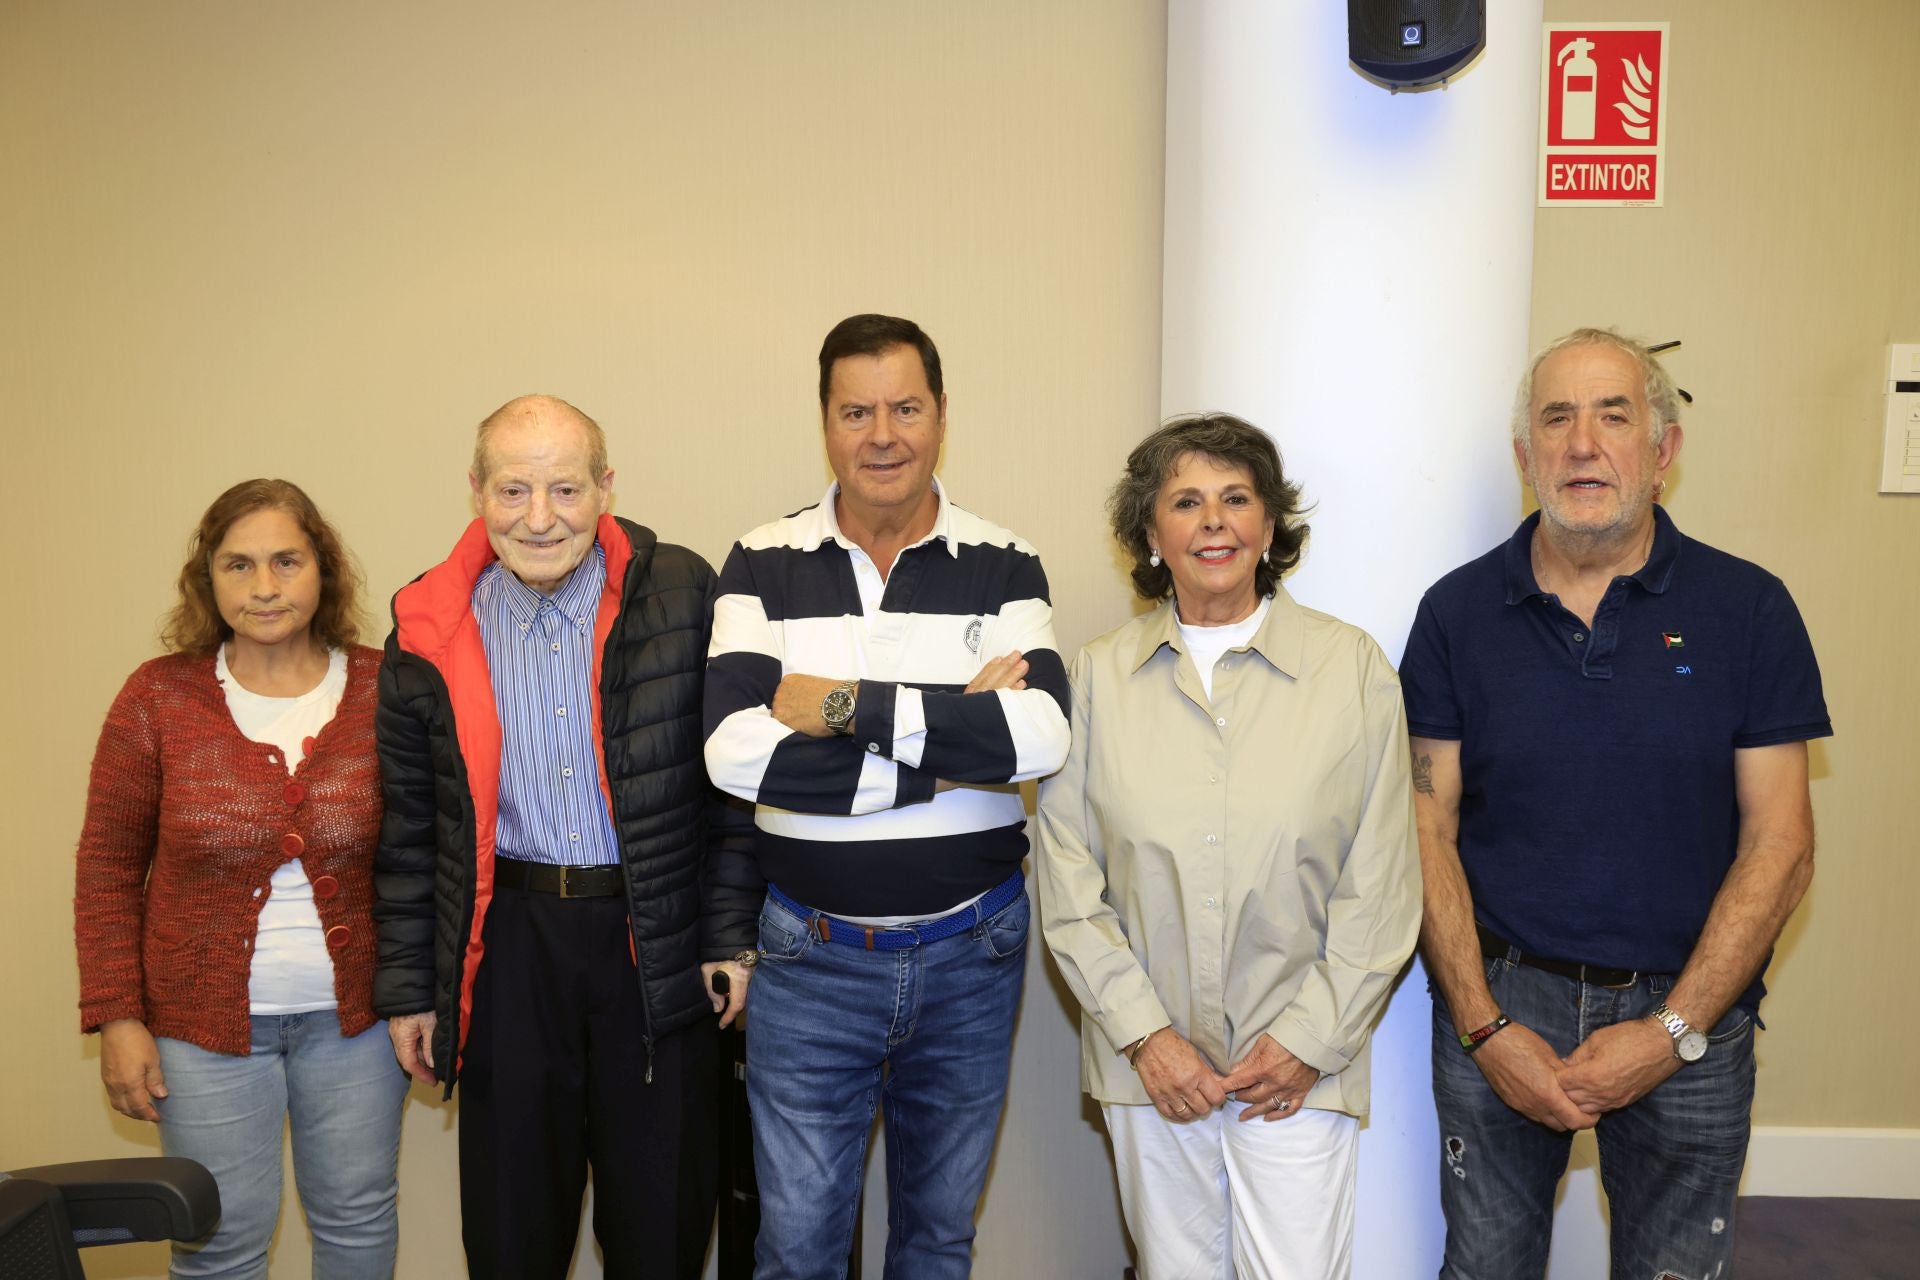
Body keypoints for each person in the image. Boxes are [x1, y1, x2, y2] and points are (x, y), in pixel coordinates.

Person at [1401, 329, 1830, 1279]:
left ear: (1664, 452)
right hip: (1502, 1007)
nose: (1582, 443)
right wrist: (1483, 1026)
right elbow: (1423, 824)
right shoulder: (1455, 613)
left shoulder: (1750, 611)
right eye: (1556, 418)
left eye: (1613, 414)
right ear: (1525, 458)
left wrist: (1673, 1030)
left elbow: (1781, 844)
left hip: (1692, 1012)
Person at [703, 313, 1071, 1279]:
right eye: (856, 410)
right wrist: (952, 747)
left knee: (938, 1245)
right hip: (810, 958)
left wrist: (836, 706)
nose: (883, 434)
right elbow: (736, 757)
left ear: (942, 416)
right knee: (795, 1251)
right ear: (824, 422)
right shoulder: (758, 560)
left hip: (971, 953)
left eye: (906, 408)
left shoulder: (1006, 562)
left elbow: (1039, 738)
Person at [372, 395, 759, 1280]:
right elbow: (407, 831)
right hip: (509, 946)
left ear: (605, 489)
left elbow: (736, 796)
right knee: (512, 1235)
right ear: (476, 492)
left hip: (653, 945)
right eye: (512, 490)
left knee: (659, 1231)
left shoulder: (685, 594)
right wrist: (410, 991)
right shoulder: (427, 625)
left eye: (564, 489)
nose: (538, 519)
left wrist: (731, 940)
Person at [1033, 414, 1421, 1279]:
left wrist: (1308, 1042)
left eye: (1236, 498)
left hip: (1299, 1072)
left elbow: (1384, 882)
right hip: (1151, 1071)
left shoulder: (1352, 669)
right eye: (1186, 502)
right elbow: (1067, 883)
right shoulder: (1096, 677)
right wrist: (1147, 1038)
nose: (1213, 521)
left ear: (1269, 525)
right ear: (1149, 533)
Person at [75, 478, 404, 1279]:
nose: (264, 587)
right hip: (201, 1032)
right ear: (208, 578)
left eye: (286, 561)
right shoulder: (158, 697)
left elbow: (424, 854)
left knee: (359, 1223)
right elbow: (108, 867)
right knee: (218, 1240)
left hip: (356, 1026)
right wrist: (119, 1017)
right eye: (239, 565)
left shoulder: (384, 687)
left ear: (322, 569)